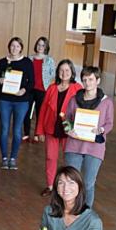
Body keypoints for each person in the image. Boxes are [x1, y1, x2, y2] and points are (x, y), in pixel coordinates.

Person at [63, 66, 114, 207]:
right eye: (84, 80)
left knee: (88, 183)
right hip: (74, 145)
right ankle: (70, 210)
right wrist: (68, 129)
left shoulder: (106, 102)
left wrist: (101, 129)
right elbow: (66, 119)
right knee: (71, 181)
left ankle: (86, 214)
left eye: (91, 79)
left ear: (98, 81)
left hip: (94, 147)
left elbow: (109, 123)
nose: (87, 83)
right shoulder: (74, 100)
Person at [35, 59, 82, 197]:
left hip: (70, 131)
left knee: (70, 160)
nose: (64, 73)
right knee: (50, 157)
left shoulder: (77, 88)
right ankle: (50, 186)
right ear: (57, 72)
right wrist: (39, 131)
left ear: (72, 72)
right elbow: (43, 110)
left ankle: (71, 187)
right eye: (61, 70)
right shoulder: (52, 88)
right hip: (52, 128)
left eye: (67, 70)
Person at [0, 37, 34, 170]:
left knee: (17, 130)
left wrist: (24, 90)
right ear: (9, 47)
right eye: (12, 46)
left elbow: (32, 82)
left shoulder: (27, 62)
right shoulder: (2, 62)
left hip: (21, 100)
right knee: (4, 129)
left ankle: (13, 158)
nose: (14, 48)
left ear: (21, 48)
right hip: (4, 99)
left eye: (17, 46)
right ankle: (4, 157)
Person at [28, 37, 55, 142]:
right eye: (39, 44)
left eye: (43, 45)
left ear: (46, 47)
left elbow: (53, 75)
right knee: (27, 112)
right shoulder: (29, 58)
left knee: (40, 113)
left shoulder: (49, 60)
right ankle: (26, 133)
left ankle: (37, 133)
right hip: (30, 89)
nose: (40, 47)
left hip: (43, 89)